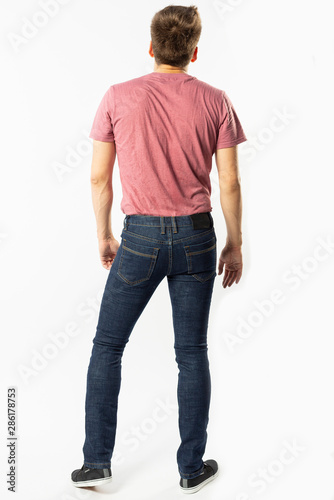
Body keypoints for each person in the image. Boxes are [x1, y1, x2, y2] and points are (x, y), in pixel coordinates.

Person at [71, 4, 247, 494]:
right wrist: (234, 242)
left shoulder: (117, 97)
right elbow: (228, 181)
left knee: (108, 345)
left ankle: (96, 462)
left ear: (151, 47)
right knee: (192, 353)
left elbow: (98, 177)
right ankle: (192, 468)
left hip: (140, 237)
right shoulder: (216, 100)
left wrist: (104, 233)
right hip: (196, 237)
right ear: (194, 52)